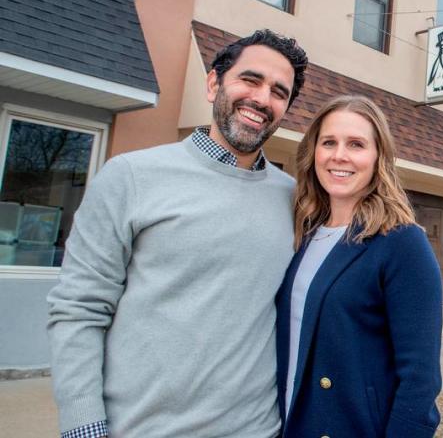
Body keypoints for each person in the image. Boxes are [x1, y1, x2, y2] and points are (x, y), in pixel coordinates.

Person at [47, 30, 308, 438]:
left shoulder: (293, 200)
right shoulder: (130, 176)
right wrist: (84, 427)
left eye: (279, 92)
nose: (262, 99)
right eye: (250, 80)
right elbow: (78, 309)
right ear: (212, 83)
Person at [277, 95, 443, 438]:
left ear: (378, 157)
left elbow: (420, 379)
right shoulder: (303, 233)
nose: (340, 155)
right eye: (329, 142)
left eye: (356, 144)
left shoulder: (401, 241)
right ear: (314, 152)